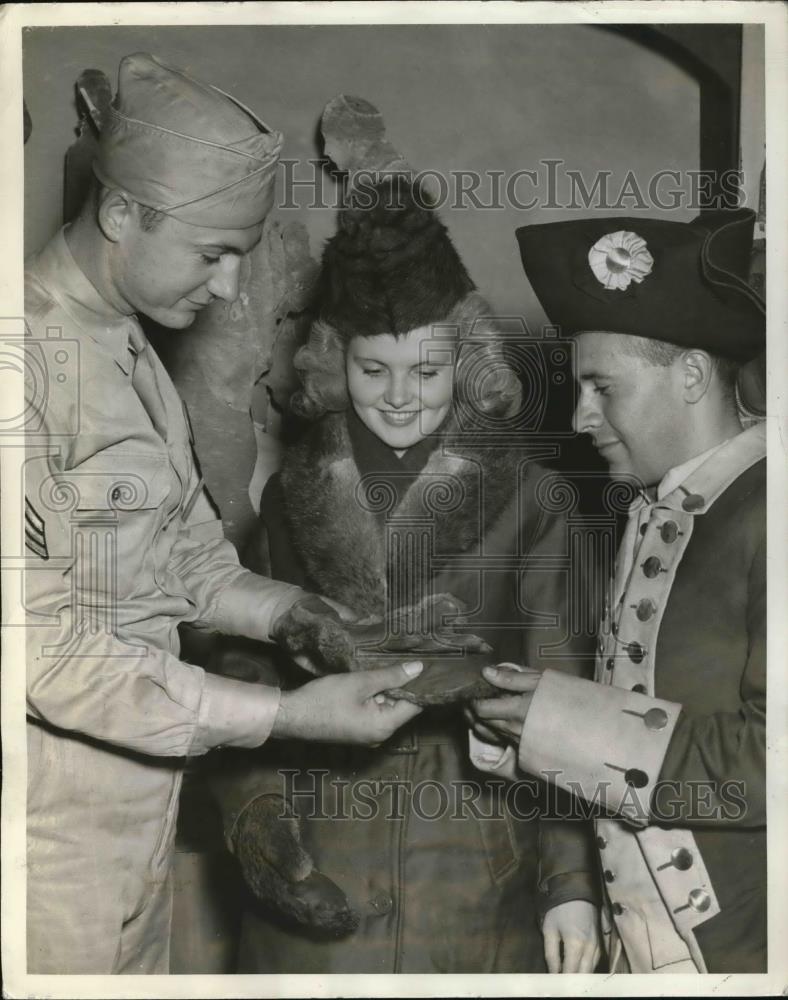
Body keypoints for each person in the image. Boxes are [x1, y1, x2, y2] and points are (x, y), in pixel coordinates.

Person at [23, 53, 425, 975]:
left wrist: (295, 615)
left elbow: (190, 561)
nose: (230, 290)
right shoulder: (19, 369)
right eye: (212, 253)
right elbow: (47, 658)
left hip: (141, 806)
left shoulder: (125, 345)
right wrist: (287, 717)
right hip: (43, 830)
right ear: (122, 214)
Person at [208, 170, 603, 975]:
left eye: (426, 371)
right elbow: (241, 664)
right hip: (318, 857)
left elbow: (567, 689)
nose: (397, 398)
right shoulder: (290, 495)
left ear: (466, 357)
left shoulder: (534, 496)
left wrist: (569, 881)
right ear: (334, 358)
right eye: (372, 370)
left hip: (473, 861)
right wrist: (258, 820)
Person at [468, 209, 766, 973]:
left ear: (693, 374)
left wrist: (561, 720)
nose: (580, 416)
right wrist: (517, 721)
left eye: (604, 387)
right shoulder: (655, 507)